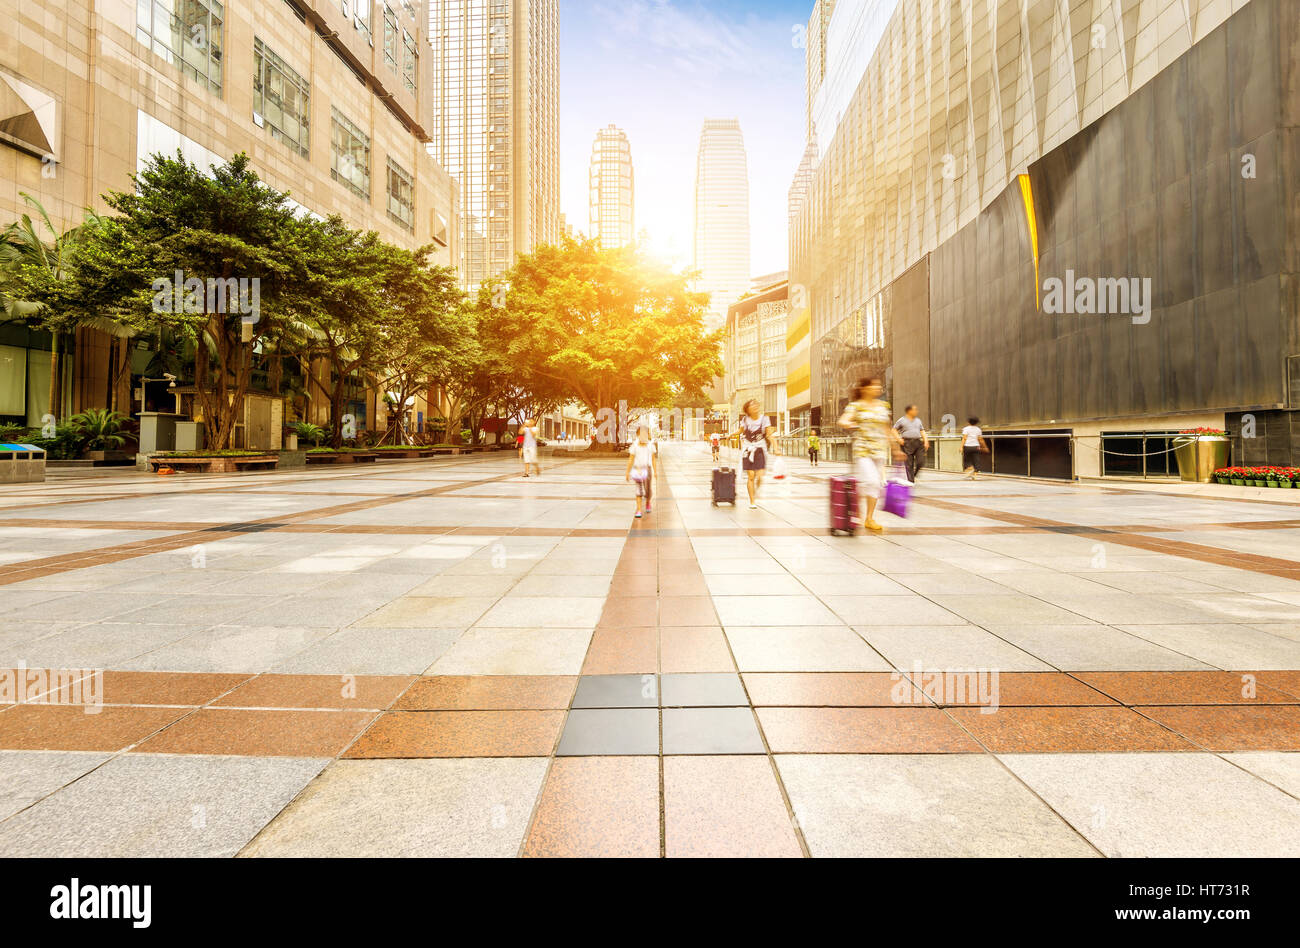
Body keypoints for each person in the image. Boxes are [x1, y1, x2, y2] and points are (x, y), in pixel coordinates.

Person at [838, 377, 904, 533]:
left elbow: (887, 429)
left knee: (875, 483)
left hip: (879, 450)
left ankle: (869, 518)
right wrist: (850, 424)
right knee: (871, 480)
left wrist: (895, 449)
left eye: (879, 386)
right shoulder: (856, 406)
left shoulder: (883, 406)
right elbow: (843, 420)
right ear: (864, 388)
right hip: (863, 450)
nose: (878, 388)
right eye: (874, 386)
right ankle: (857, 511)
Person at [738, 399, 776, 509]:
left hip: (760, 449)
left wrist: (776, 448)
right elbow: (740, 431)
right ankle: (752, 501)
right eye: (752, 405)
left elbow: (769, 435)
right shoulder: (745, 419)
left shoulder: (765, 419)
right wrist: (731, 434)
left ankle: (756, 491)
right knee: (751, 476)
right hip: (748, 449)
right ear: (747, 409)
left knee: (759, 476)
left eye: (756, 404)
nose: (755, 406)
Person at [625, 425, 657, 519]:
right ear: (638, 434)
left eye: (645, 433)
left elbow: (653, 459)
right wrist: (627, 472)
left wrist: (655, 471)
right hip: (637, 469)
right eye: (641, 433)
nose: (643, 435)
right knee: (638, 489)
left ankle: (648, 502)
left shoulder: (650, 445)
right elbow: (631, 459)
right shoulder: (634, 446)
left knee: (648, 490)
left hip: (647, 469)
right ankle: (638, 509)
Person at [893, 406, 929, 483]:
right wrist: (898, 439)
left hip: (918, 442)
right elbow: (894, 430)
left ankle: (914, 475)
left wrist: (926, 441)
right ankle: (911, 481)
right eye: (915, 409)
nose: (916, 411)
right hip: (906, 443)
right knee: (909, 464)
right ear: (909, 411)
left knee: (921, 462)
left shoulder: (918, 420)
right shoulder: (901, 420)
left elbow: (922, 431)